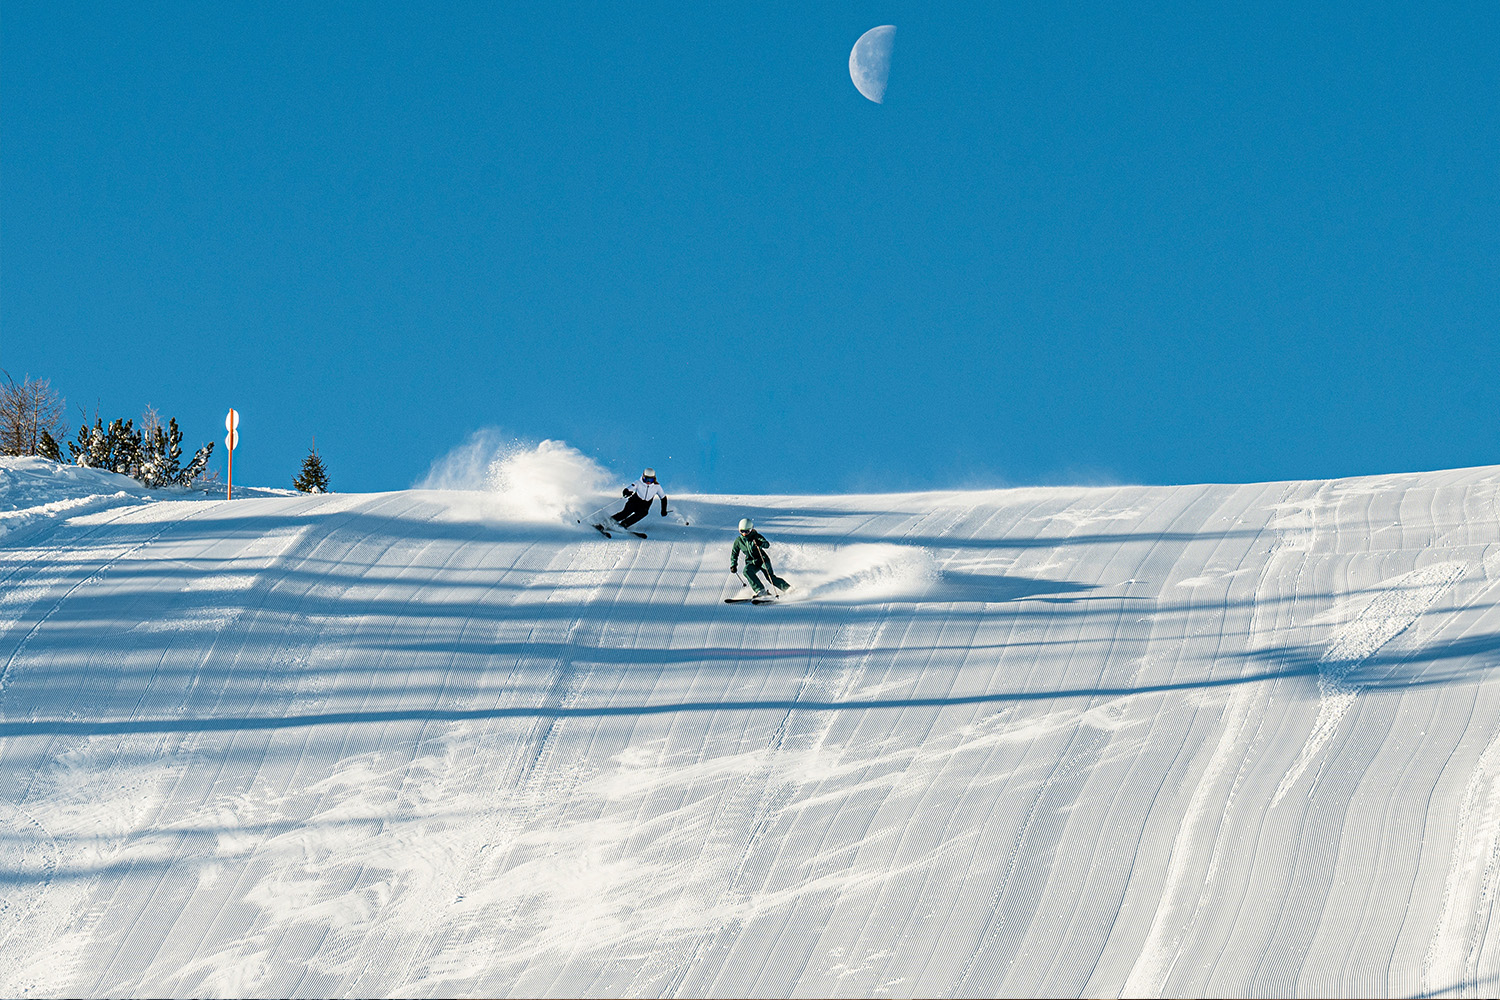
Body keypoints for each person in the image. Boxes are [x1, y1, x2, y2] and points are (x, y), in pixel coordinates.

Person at [730, 518, 791, 597]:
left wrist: (760, 543)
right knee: (747, 571)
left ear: (751, 529)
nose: (744, 533)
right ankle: (761, 591)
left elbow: (767, 544)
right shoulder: (738, 541)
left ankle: (788, 589)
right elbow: (734, 553)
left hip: (762, 560)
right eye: (742, 531)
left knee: (770, 577)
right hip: (751, 562)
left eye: (747, 531)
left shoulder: (756, 536)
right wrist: (733, 565)